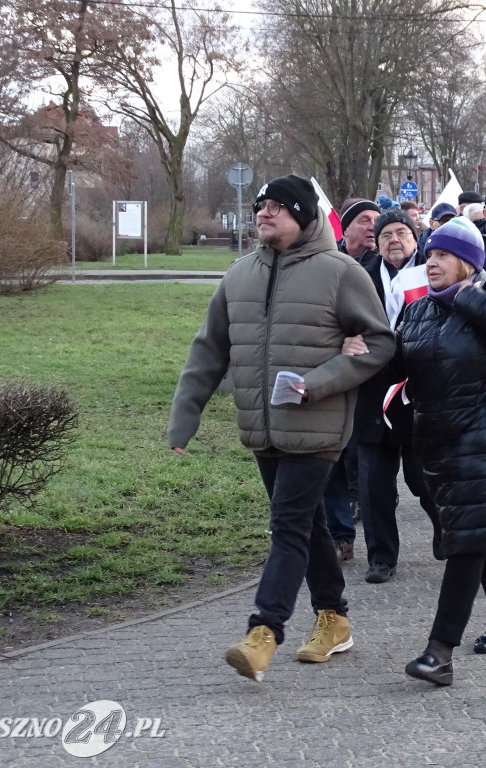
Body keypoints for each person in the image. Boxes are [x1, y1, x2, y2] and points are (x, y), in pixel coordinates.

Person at [168, 175, 395, 681]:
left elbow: (380, 343)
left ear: (304, 216)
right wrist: (185, 419)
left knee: (287, 526)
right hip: (261, 427)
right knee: (308, 523)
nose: (264, 214)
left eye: (277, 207)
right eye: (260, 206)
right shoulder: (239, 274)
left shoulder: (341, 272)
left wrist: (320, 381)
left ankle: (263, 632)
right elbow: (209, 350)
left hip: (318, 428)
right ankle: (334, 619)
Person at [395, 217, 486, 686]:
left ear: (468, 262)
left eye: (441, 255)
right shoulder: (418, 310)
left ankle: (440, 653)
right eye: (429, 255)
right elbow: (395, 362)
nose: (430, 263)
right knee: (482, 532)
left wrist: (466, 295)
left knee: (468, 542)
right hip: (437, 446)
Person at [355, 208, 439, 584]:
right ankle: (381, 557)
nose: (394, 240)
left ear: (415, 238)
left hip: (417, 392)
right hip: (372, 392)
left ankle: (445, 527)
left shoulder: (431, 273)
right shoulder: (360, 276)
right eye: (386, 233)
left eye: (401, 233)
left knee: (423, 479)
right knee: (373, 485)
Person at [338, 198, 381, 262]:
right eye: (365, 221)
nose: (373, 227)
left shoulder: (387, 263)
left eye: (377, 221)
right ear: (346, 230)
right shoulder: (329, 259)